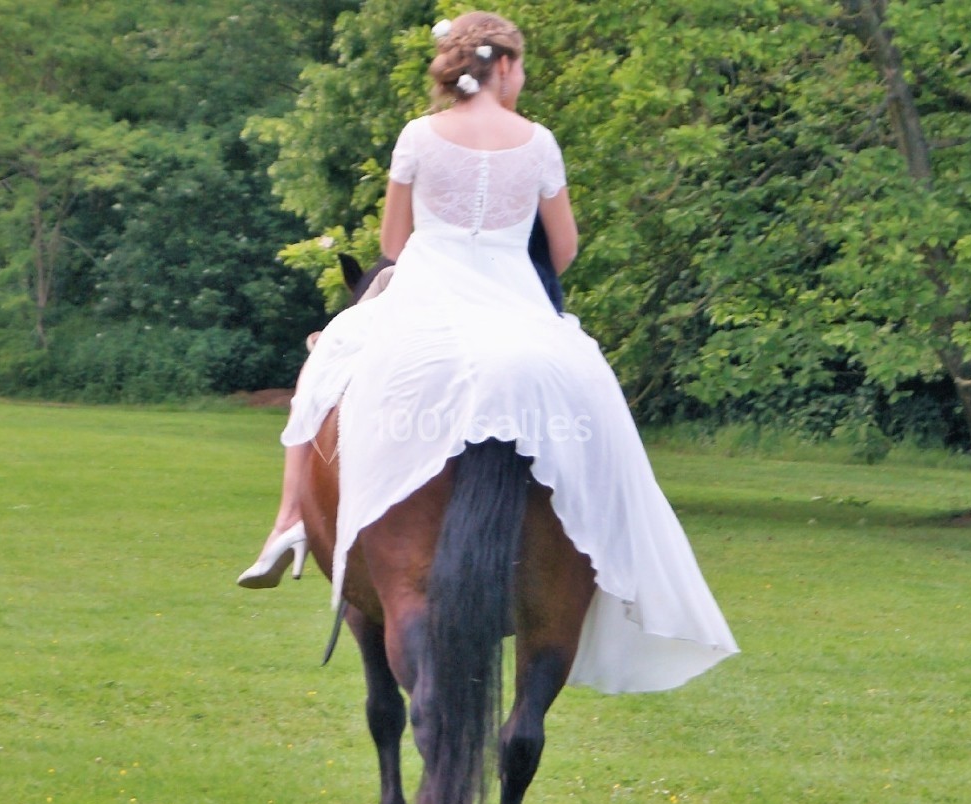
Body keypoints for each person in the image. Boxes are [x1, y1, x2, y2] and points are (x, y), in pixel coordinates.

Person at [239, 11, 736, 693]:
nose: (523, 79)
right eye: (522, 67)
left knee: (323, 367)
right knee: (593, 391)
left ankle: (289, 523)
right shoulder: (538, 142)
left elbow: (393, 239)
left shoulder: (418, 135)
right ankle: (618, 543)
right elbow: (563, 250)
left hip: (427, 297)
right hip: (515, 304)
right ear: (502, 65)